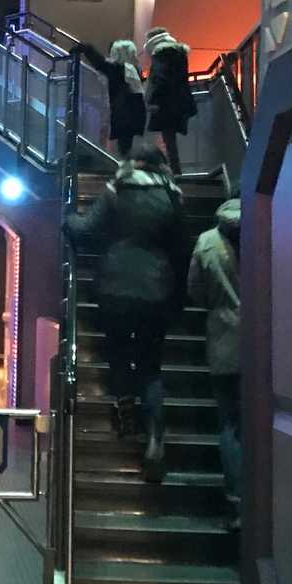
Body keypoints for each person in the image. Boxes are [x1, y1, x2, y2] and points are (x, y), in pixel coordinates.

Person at [63, 140, 188, 480]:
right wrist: (178, 296)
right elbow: (183, 251)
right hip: (156, 292)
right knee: (150, 365)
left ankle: (126, 410)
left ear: (131, 163)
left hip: (114, 288)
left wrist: (69, 220)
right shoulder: (173, 196)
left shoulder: (116, 190)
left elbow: (87, 231)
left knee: (118, 354)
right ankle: (156, 438)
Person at [187, 187, 241, 527]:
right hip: (266, 338)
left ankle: (236, 503)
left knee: (230, 425)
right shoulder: (271, 228)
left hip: (223, 339)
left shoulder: (207, 240)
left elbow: (195, 290)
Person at [71, 38, 147, 157]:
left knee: (124, 148)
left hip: (123, 113)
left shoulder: (119, 69)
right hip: (134, 113)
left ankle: (126, 167)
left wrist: (86, 49)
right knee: (127, 145)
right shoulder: (133, 70)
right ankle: (128, 165)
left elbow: (100, 63)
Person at [143, 27, 197, 175]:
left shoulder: (160, 54)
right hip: (179, 101)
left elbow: (160, 78)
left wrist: (153, 100)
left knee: (168, 139)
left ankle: (174, 171)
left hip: (164, 103)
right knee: (170, 138)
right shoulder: (180, 53)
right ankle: (175, 169)